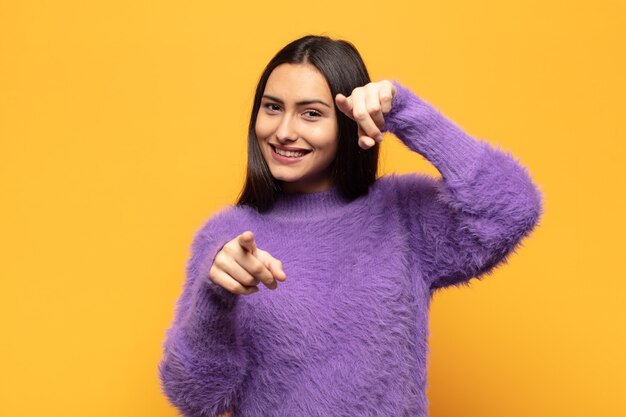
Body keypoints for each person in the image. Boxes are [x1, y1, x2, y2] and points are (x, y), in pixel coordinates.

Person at [158, 34, 544, 417]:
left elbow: (512, 210)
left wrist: (407, 114)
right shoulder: (228, 238)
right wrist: (214, 297)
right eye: (272, 107)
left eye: (311, 113)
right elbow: (195, 397)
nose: (284, 131)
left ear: (347, 120)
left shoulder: (401, 213)